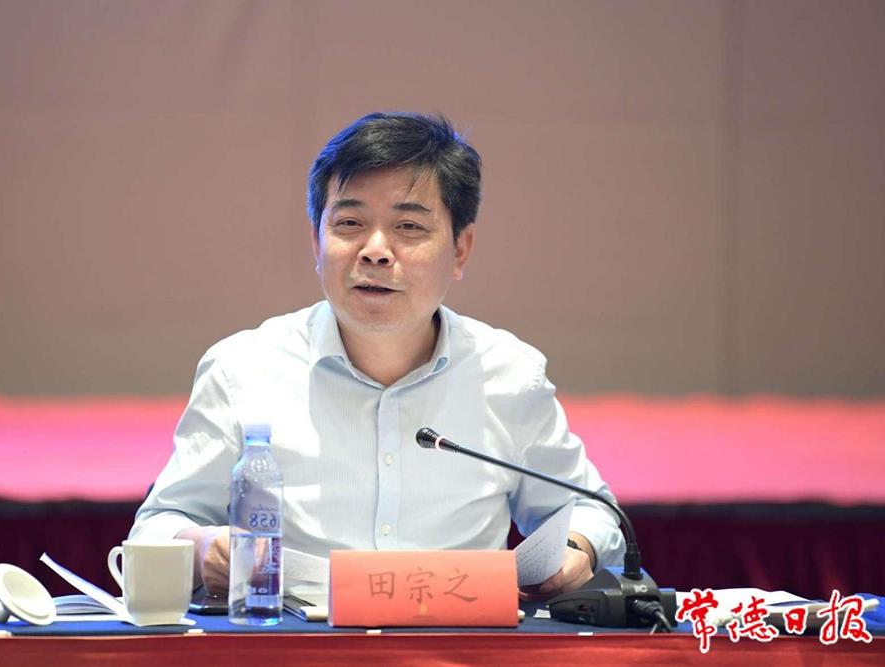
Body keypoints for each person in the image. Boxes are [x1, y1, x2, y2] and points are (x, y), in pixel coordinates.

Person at [130, 111, 624, 598]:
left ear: (460, 249)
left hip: (456, 638)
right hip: (294, 637)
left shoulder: (508, 373)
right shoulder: (242, 369)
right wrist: (202, 546)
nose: (376, 250)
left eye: (409, 226)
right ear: (316, 242)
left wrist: (576, 547)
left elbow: (592, 511)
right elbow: (159, 524)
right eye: (349, 223)